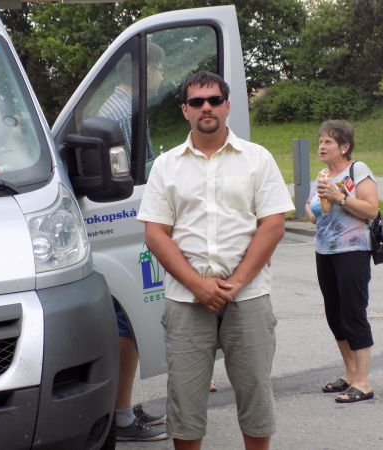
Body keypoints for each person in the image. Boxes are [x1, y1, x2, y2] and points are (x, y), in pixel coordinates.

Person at [137, 71, 294, 450]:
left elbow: (273, 225)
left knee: (256, 394)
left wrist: (235, 282)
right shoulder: (166, 166)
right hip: (186, 299)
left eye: (213, 100)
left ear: (227, 106)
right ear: (185, 110)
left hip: (249, 295)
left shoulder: (257, 159)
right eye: (197, 102)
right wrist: (198, 285)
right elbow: (156, 234)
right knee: (185, 400)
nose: (206, 107)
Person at [98, 42, 168, 442]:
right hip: (126, 225)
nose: (162, 78)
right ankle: (120, 415)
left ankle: (121, 407)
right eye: (160, 71)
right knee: (127, 323)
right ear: (147, 72)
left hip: (129, 224)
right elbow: (129, 177)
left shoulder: (120, 109)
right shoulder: (122, 114)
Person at [305, 120, 379, 403]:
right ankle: (349, 373)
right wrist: (312, 209)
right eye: (320, 141)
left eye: (328, 142)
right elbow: (312, 211)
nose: (321, 146)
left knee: (353, 312)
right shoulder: (322, 175)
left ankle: (363, 382)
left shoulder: (357, 170)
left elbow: (371, 209)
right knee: (334, 315)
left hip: (353, 250)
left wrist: (340, 197)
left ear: (344, 147)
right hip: (324, 251)